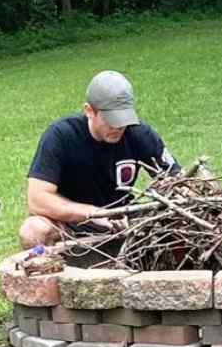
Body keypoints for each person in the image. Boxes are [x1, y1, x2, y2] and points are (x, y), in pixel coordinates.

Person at [19, 70, 180, 249]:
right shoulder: (62, 135)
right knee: (34, 230)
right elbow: (37, 199)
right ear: (89, 111)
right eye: (111, 119)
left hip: (124, 220)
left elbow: (176, 181)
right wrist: (93, 214)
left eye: (124, 118)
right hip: (72, 222)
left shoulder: (139, 133)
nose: (119, 126)